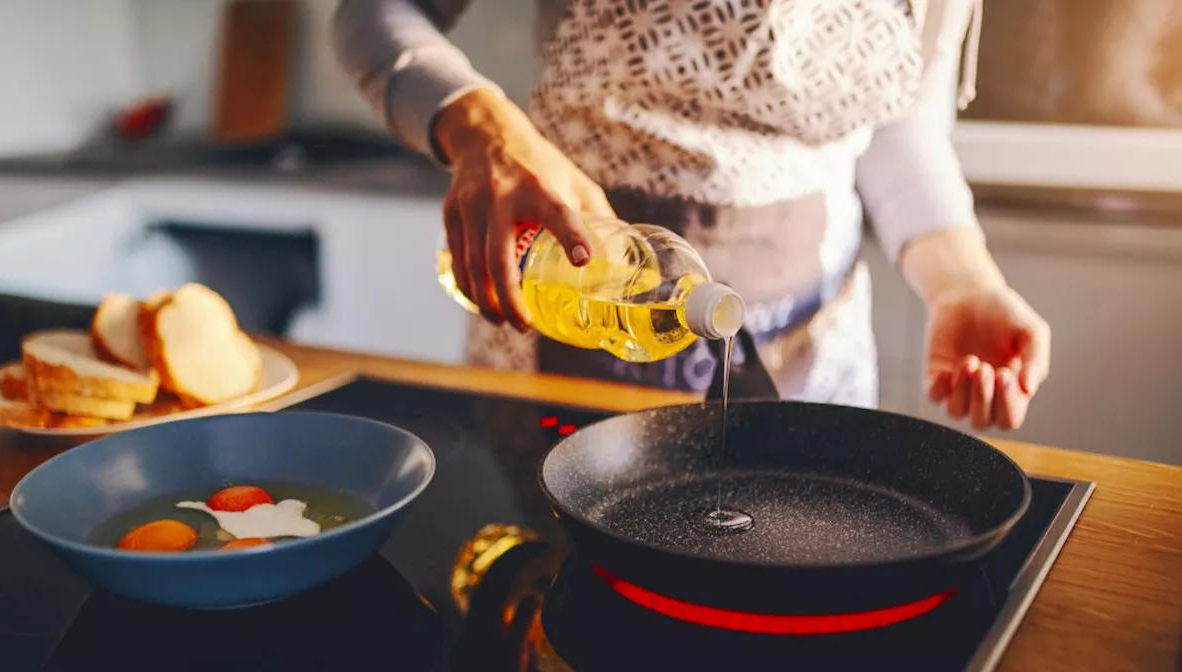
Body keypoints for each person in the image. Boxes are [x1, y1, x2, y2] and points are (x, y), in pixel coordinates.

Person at [332, 0, 1051, 430]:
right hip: (568, 309)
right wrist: (479, 125)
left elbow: (895, 123)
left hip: (814, 349)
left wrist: (963, 280)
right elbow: (374, 11)